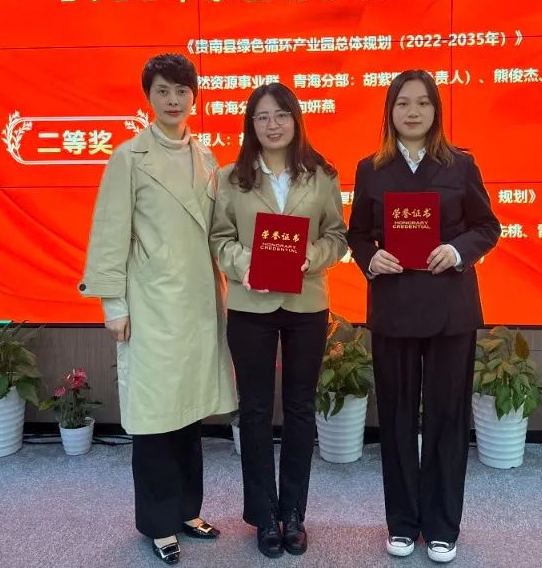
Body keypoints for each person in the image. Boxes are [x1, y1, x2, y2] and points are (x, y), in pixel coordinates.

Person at [78, 53, 236, 565]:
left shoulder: (206, 156)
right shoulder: (128, 157)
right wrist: (113, 304)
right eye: (163, 91)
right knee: (154, 419)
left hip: (198, 304)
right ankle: (158, 523)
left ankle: (188, 510)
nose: (173, 100)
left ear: (194, 97)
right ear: (148, 96)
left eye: (182, 91)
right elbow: (109, 234)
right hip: (150, 306)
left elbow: (220, 231)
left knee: (188, 414)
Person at [346, 70, 501, 564]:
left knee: (447, 419)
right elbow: (357, 234)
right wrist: (370, 256)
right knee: (395, 419)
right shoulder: (371, 169)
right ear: (389, 112)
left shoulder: (460, 164)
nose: (412, 112)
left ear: (436, 110)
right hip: (393, 308)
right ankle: (402, 522)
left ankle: (441, 526)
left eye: (422, 103)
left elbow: (487, 226)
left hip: (450, 310)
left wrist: (457, 251)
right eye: (402, 103)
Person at [209, 82, 347, 558]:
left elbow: (337, 236)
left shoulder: (322, 175)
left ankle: (294, 512)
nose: (272, 125)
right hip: (251, 305)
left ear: (296, 119)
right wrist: (245, 264)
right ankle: (264, 515)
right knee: (254, 410)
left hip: (307, 304)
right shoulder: (231, 178)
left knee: (301, 409)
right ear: (251, 124)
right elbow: (219, 239)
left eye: (281, 115)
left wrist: (313, 255)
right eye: (262, 117)